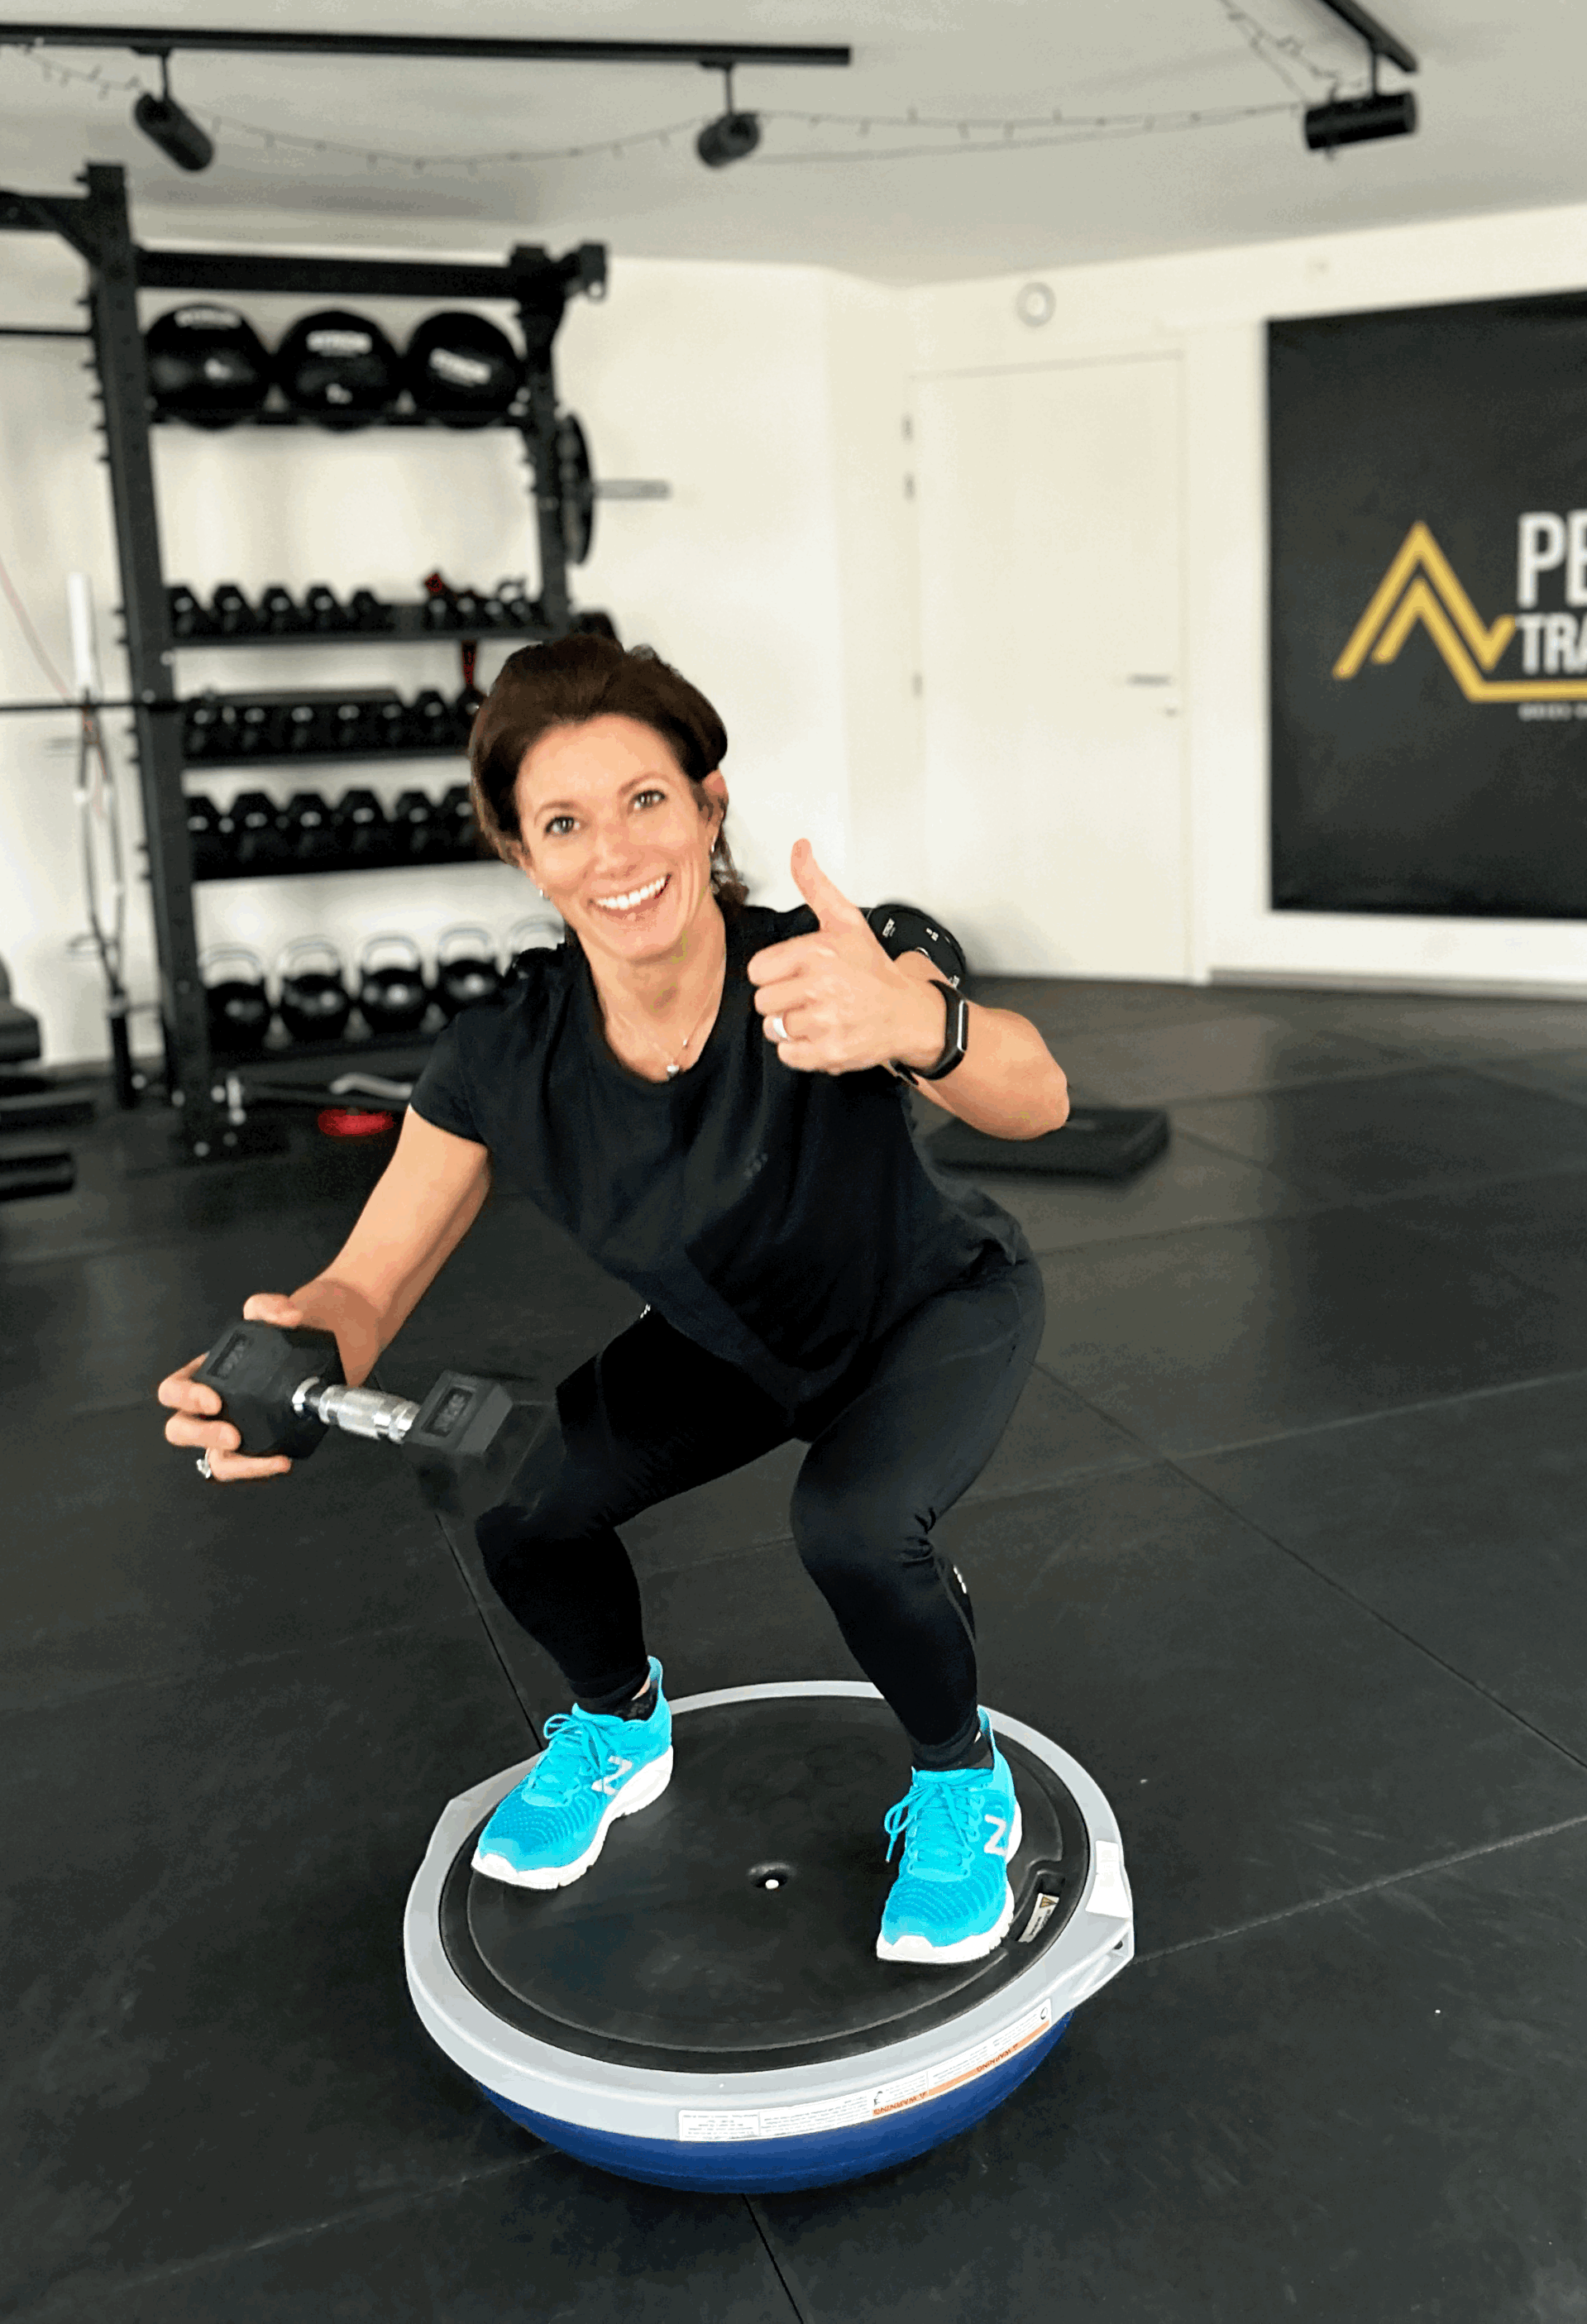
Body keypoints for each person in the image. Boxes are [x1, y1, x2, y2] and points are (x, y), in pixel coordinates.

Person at [156, 634, 1069, 1966]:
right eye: (563, 821)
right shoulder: (503, 1057)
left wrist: (921, 1026)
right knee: (519, 1498)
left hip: (929, 1304)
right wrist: (285, 1355)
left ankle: (955, 1777)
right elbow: (369, 1275)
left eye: (646, 800)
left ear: (708, 806)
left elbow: (1040, 1098)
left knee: (858, 1525)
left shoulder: (825, 964)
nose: (614, 850)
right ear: (524, 854)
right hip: (737, 1344)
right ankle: (619, 1721)